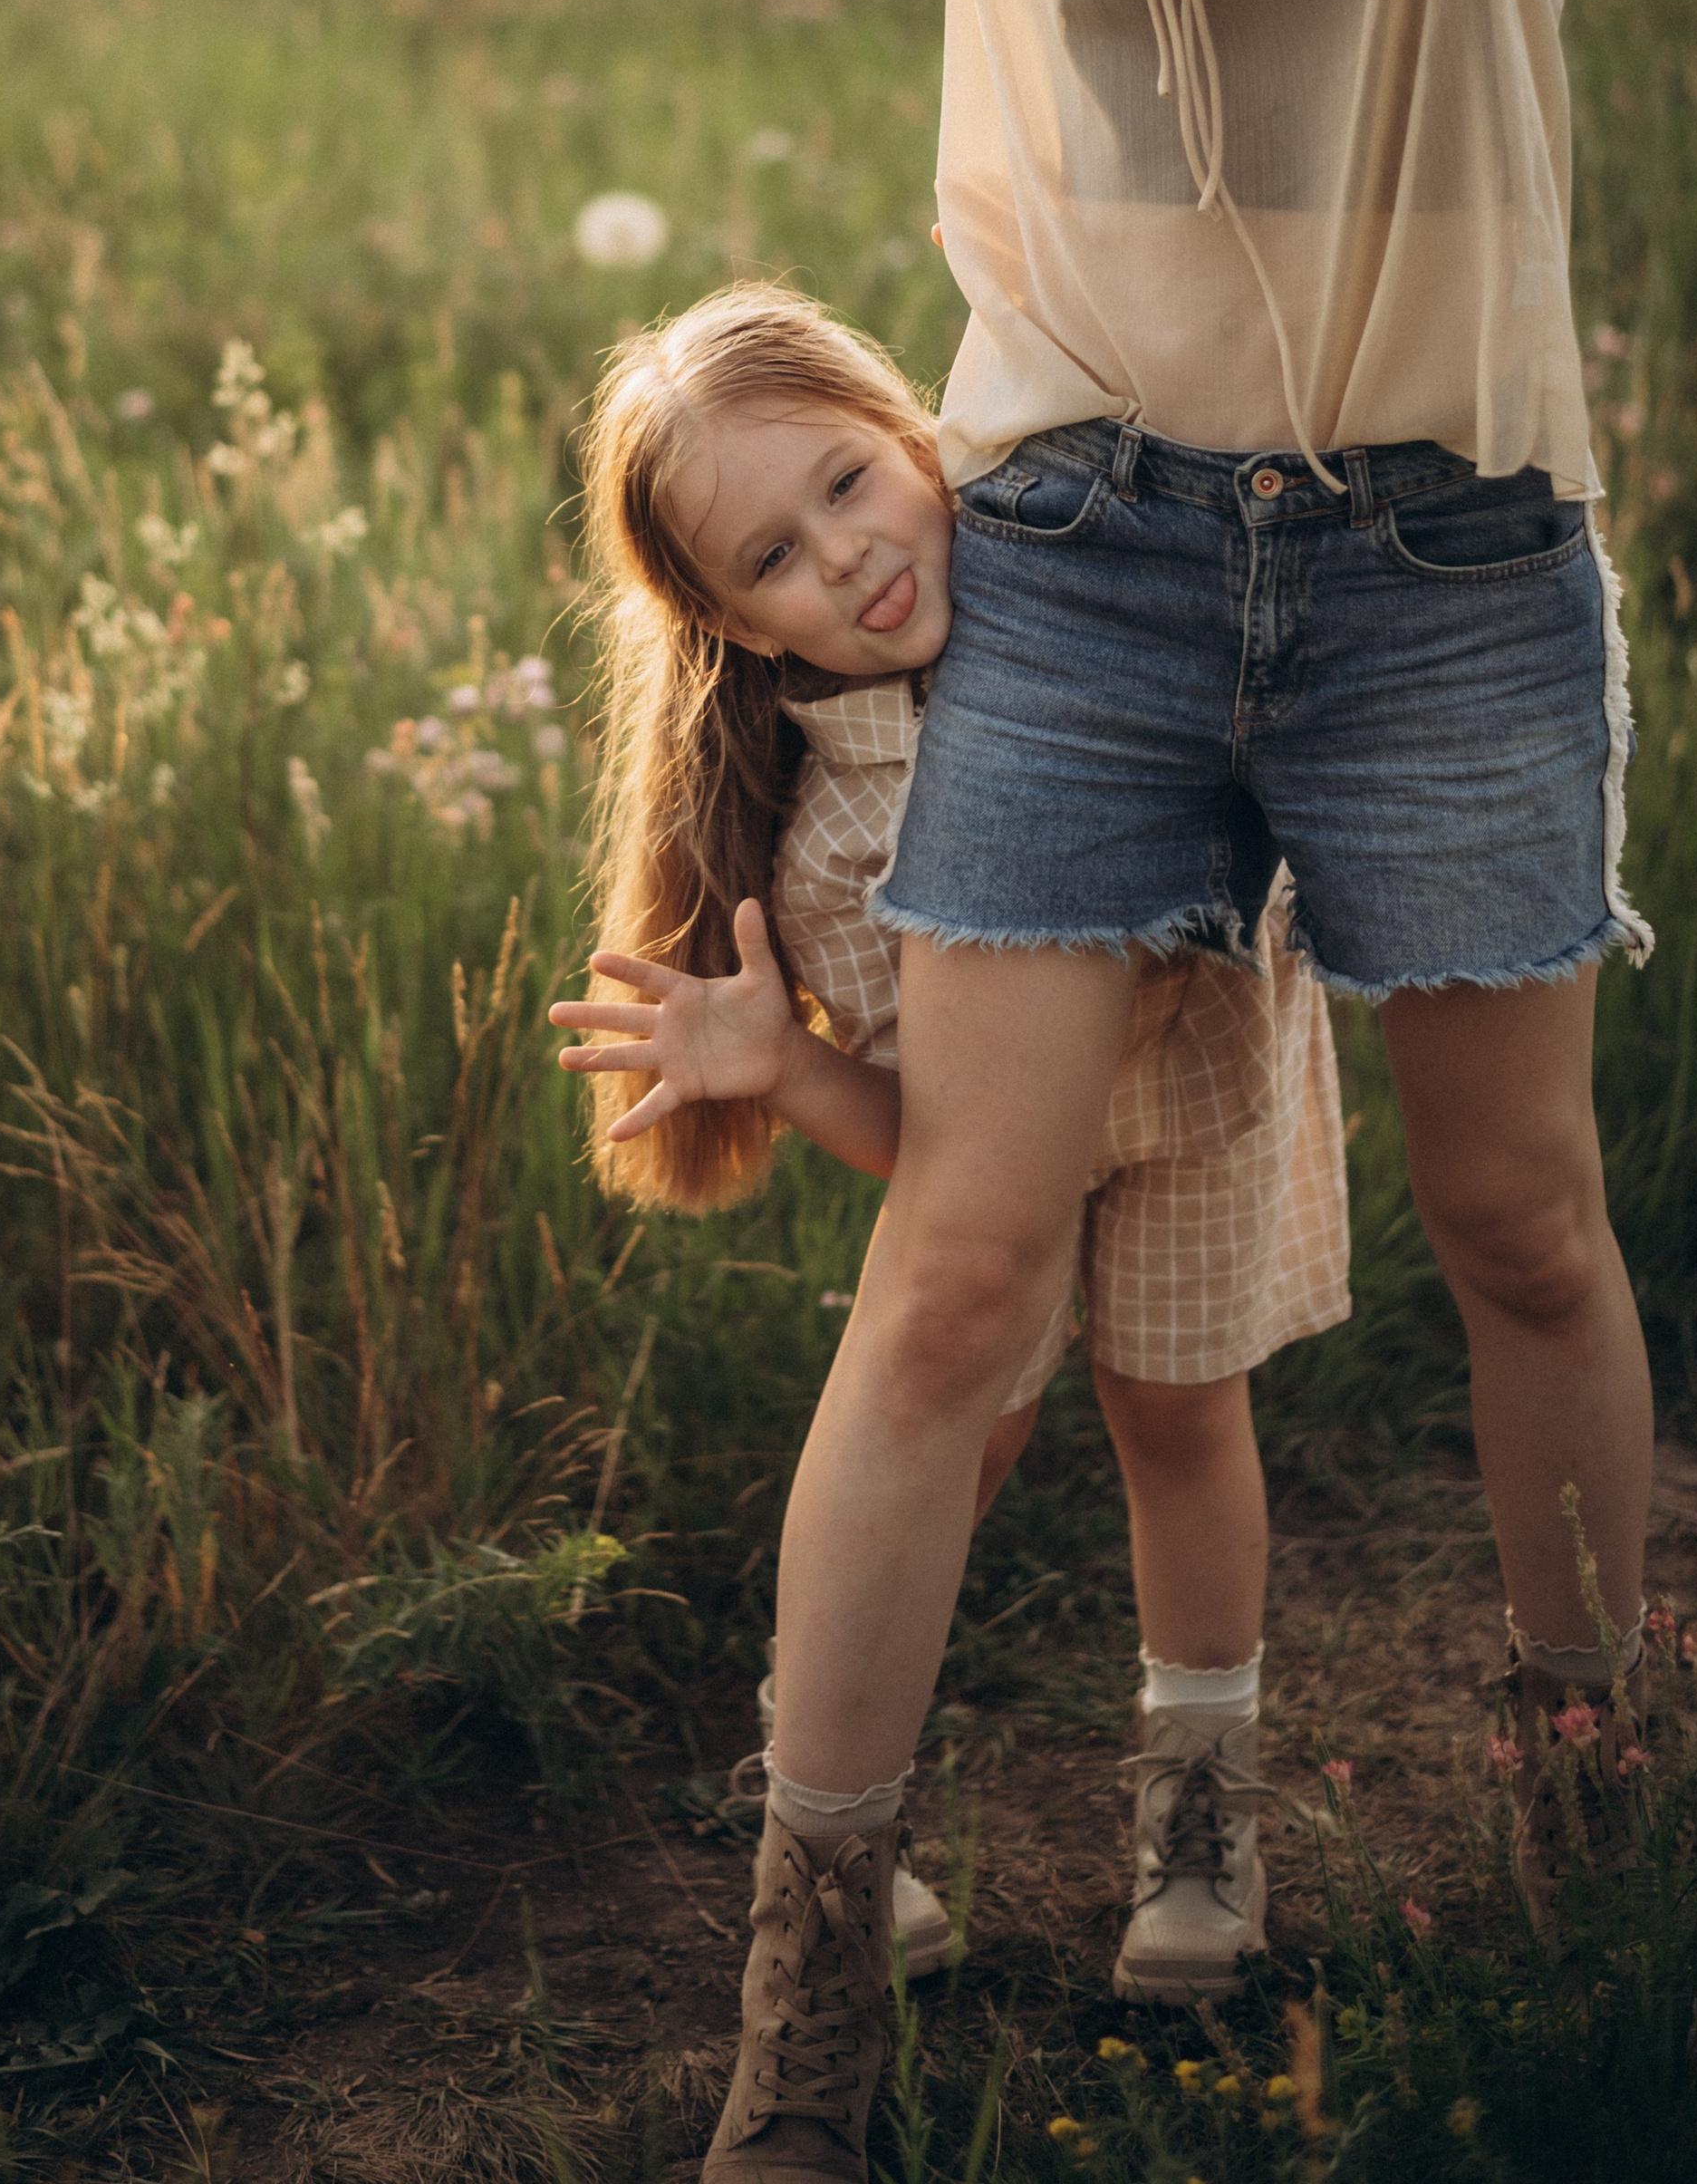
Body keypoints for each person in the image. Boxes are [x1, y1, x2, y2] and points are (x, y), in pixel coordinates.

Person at [670, 0, 1697, 2179]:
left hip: (1436, 563)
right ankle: (798, 2016)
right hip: (1092, 551)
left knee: (1525, 1223)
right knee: (959, 1263)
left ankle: (1596, 1845)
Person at [548, 281, 1349, 2005]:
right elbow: (928, 1140)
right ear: (738, 628)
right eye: (770, 559)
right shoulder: (833, 824)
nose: (839, 559)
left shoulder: (1103, 613)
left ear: (917, 432)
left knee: (1184, 1422)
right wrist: (779, 1066)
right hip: (990, 1189)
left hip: (1199, 1106)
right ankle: (825, 1777)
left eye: (845, 483)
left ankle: (1199, 1823)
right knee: (952, 1437)